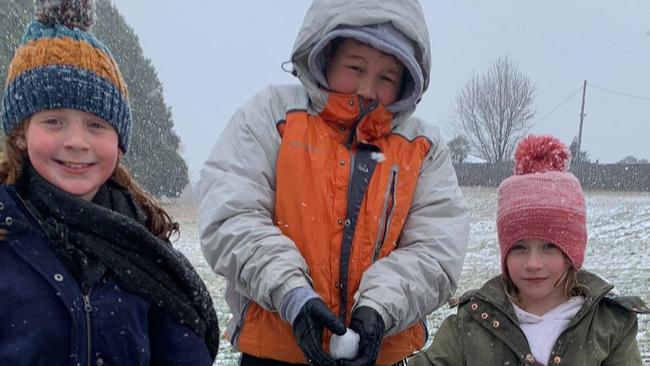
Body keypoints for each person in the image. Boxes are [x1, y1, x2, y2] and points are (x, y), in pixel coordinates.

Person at [198, 0, 470, 365]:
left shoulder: (423, 149)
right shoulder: (271, 117)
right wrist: (292, 294)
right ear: (325, 55)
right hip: (275, 353)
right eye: (355, 67)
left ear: (407, 79)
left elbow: (435, 251)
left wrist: (377, 308)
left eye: (386, 77)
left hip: (378, 355)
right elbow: (232, 216)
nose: (368, 89)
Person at [0, 1, 219, 364]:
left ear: (119, 144)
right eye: (53, 121)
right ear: (21, 134)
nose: (77, 141)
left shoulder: (145, 245)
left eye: (96, 125)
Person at [408, 135, 650, 366]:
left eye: (549, 247)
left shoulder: (608, 325)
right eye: (519, 248)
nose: (533, 263)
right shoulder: (472, 322)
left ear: (572, 253)